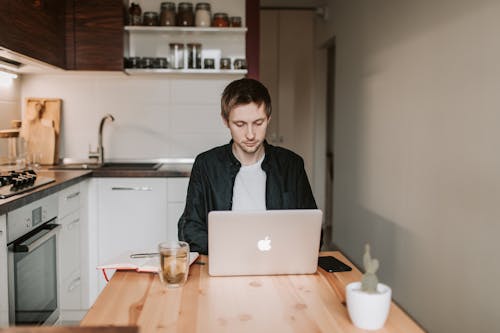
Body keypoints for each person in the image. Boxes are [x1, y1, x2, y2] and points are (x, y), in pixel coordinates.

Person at [178, 78, 318, 254]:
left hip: (278, 264)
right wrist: (232, 251)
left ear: (269, 118)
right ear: (225, 121)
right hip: (225, 262)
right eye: (240, 124)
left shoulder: (292, 165)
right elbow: (189, 229)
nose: (250, 134)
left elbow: (312, 229)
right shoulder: (206, 165)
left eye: (258, 123)